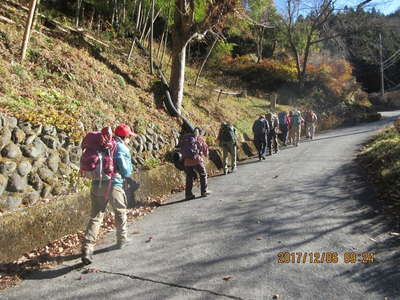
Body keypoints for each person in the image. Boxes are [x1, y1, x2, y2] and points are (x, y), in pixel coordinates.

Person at [81, 124, 136, 265]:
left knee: (96, 216)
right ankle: (122, 238)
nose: (130, 139)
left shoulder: (102, 144)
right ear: (126, 137)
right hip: (113, 184)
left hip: (96, 183)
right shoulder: (120, 147)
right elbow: (126, 171)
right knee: (120, 210)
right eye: (130, 136)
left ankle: (87, 248)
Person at [180, 127, 210, 200]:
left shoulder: (186, 138)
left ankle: (188, 194)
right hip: (197, 160)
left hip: (187, 161)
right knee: (203, 174)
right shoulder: (199, 138)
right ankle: (204, 191)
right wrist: (205, 155)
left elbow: (181, 148)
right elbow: (205, 149)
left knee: (189, 177)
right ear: (200, 133)